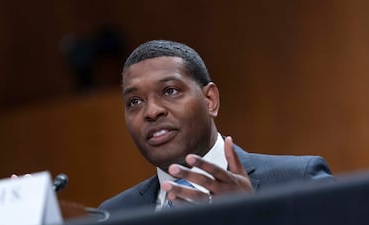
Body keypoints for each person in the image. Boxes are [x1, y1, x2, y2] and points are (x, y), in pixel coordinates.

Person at [99, 40, 333, 213]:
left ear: (210, 100)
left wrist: (255, 222)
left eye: (170, 91)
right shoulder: (113, 215)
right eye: (134, 102)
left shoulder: (298, 181)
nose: (151, 111)